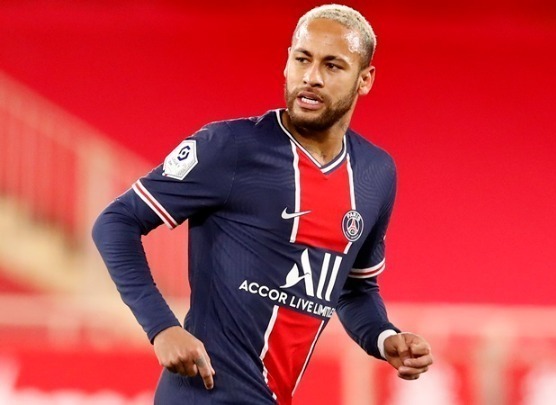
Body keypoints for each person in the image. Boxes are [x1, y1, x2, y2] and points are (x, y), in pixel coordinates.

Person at [92, 4, 433, 404]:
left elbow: (354, 288)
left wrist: (384, 337)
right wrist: (161, 327)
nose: (311, 77)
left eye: (332, 65)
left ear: (365, 79)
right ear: (287, 62)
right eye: (302, 59)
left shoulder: (375, 173)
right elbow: (116, 221)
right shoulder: (230, 147)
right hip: (204, 395)